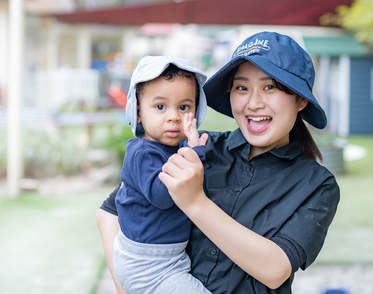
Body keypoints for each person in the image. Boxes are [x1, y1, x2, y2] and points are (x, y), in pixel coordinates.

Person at [97, 31, 340, 294]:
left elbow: (274, 270)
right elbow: (111, 211)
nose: (254, 103)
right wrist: (129, 287)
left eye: (270, 87)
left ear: (301, 99)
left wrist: (194, 202)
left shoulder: (316, 185)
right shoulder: (199, 148)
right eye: (242, 87)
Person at [111, 55, 211, 294]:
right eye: (160, 107)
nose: (174, 116)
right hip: (147, 265)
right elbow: (163, 195)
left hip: (167, 258)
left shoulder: (171, 149)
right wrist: (193, 155)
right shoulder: (141, 152)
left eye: (184, 107)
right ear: (138, 111)